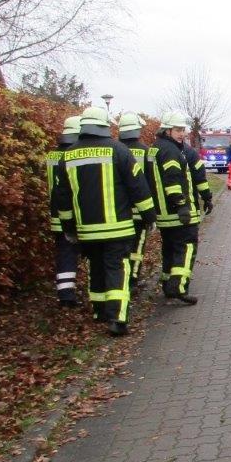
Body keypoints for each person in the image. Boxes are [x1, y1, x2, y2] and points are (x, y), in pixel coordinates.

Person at [53, 107, 156, 336]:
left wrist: (69, 228)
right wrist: (149, 217)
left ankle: (99, 312)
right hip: (118, 228)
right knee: (117, 268)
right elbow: (138, 187)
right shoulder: (119, 151)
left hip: (87, 230)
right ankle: (118, 317)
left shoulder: (67, 155)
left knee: (96, 268)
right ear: (104, 125)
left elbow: (62, 197)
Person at [149, 112, 201, 304]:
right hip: (177, 213)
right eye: (178, 130)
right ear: (167, 130)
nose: (182, 134)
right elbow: (173, 180)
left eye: (183, 130)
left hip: (164, 213)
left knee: (169, 249)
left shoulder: (155, 148)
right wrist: (182, 206)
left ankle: (167, 283)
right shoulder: (171, 151)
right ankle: (179, 287)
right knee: (186, 247)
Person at [47, 115, 83, 307]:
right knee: (76, 252)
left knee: (64, 254)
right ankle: (71, 295)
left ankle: (65, 294)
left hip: (55, 216)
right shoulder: (72, 155)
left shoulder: (51, 155)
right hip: (73, 215)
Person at [117, 112, 152, 291]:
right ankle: (133, 279)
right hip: (141, 209)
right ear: (138, 130)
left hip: (119, 212)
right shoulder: (146, 151)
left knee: (121, 249)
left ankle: (123, 279)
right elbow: (151, 182)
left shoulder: (113, 150)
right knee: (137, 247)